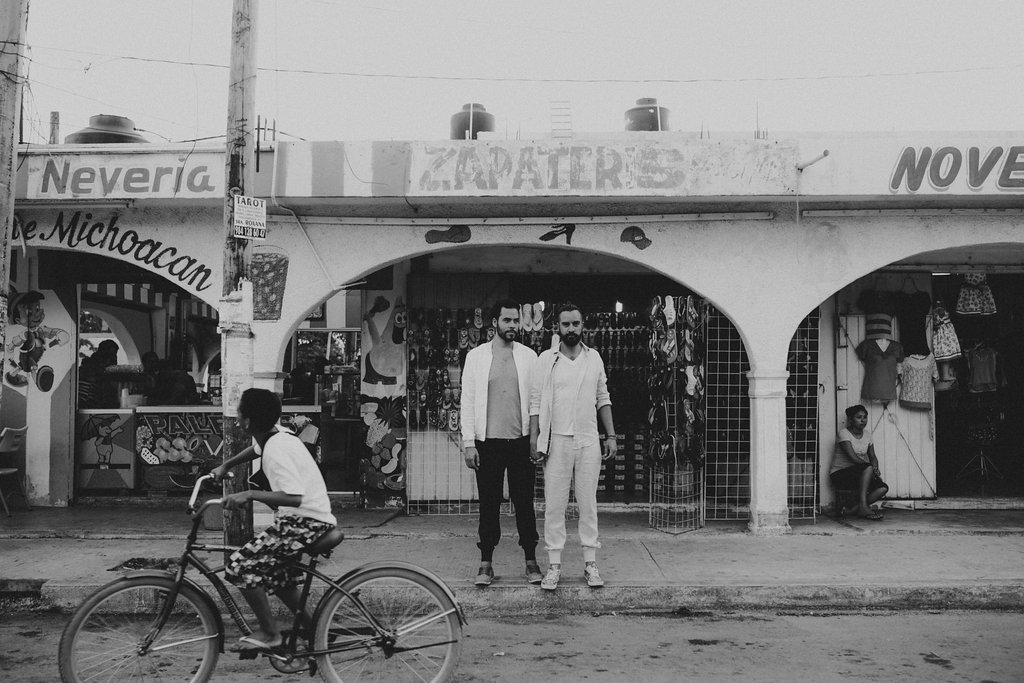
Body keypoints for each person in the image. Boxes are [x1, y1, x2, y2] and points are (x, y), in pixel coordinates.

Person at [211, 388, 337, 651]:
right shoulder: (276, 436)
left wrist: (248, 494)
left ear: (247, 421)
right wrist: (227, 464)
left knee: (239, 566)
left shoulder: (277, 449)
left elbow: (294, 497)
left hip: (305, 523)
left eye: (239, 411)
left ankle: (270, 634)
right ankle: (315, 630)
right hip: (308, 518)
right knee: (280, 579)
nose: (237, 416)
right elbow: (255, 450)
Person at [530, 302, 617, 590]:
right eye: (565, 324)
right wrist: (534, 438)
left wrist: (611, 436)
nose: (571, 329)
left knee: (588, 504)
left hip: (588, 440)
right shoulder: (547, 359)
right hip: (556, 442)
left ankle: (590, 564)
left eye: (575, 324)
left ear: (583, 325)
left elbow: (603, 397)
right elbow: (535, 402)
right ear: (557, 327)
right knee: (555, 506)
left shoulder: (594, 358)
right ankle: (554, 565)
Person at [461, 299, 541, 587]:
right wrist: (469, 442)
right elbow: (467, 400)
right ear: (494, 322)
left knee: (525, 503)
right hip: (488, 444)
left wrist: (535, 438)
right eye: (507, 320)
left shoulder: (529, 356)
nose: (513, 325)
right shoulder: (476, 357)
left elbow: (536, 401)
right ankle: (486, 563)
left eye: (516, 320)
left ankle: (531, 560)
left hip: (520, 442)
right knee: (489, 504)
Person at [831, 404, 889, 521]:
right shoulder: (844, 433)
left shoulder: (867, 435)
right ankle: (863, 507)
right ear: (851, 420)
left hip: (860, 474)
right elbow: (853, 457)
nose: (863, 420)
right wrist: (870, 469)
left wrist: (875, 469)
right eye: (858, 417)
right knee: (867, 467)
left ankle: (852, 510)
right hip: (840, 474)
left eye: (865, 417)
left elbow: (872, 456)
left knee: (882, 488)